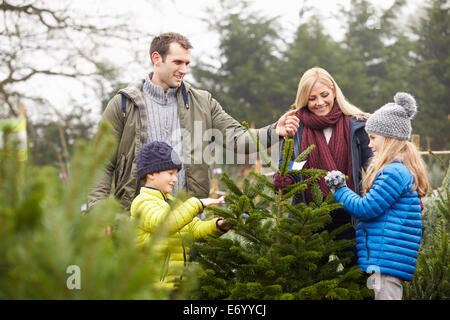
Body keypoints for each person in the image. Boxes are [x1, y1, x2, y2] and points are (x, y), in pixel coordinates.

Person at [88, 32, 299, 212]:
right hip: (136, 220)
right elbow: (101, 162)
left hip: (187, 217)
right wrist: (97, 210)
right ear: (156, 58)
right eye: (177, 62)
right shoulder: (123, 104)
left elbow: (237, 137)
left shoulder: (203, 102)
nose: (184, 70)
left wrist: (274, 131)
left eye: (187, 63)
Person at [324, 92, 429, 300]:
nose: (369, 144)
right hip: (384, 258)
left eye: (373, 138)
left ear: (389, 139)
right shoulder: (397, 171)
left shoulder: (393, 173)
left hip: (386, 259)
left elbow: (366, 208)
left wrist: (340, 189)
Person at [274, 67, 373, 265]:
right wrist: (285, 177)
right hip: (310, 218)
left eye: (324, 95)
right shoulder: (295, 127)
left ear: (334, 92)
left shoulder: (356, 124)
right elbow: (294, 164)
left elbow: (373, 165)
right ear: (304, 99)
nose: (319, 102)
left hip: (350, 216)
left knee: (357, 276)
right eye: (312, 98)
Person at [130, 141, 228, 290]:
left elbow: (194, 229)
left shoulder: (172, 202)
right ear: (150, 173)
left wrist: (219, 225)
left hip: (177, 286)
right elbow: (165, 224)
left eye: (176, 174)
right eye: (170, 173)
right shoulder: (142, 203)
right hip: (154, 289)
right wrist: (197, 203)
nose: (175, 179)